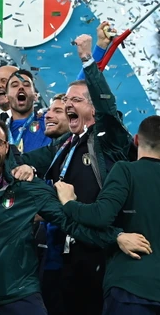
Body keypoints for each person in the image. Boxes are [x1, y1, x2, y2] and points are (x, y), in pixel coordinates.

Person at [0, 117, 142, 314]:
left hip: (19, 296)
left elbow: (70, 222)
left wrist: (116, 237)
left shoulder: (27, 187)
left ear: (6, 147)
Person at [13, 34, 134, 315]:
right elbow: (21, 159)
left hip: (101, 249)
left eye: (76, 100)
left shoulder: (108, 139)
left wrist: (88, 59)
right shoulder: (63, 145)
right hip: (65, 250)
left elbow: (107, 107)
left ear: (92, 108)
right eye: (66, 99)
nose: (68, 104)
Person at [55, 115, 160, 314]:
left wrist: (69, 203)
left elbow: (100, 216)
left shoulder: (126, 171)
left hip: (130, 288)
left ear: (136, 140)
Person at [5, 69, 51, 153]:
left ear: (35, 96)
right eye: (15, 85)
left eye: (26, 85)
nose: (21, 87)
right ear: (6, 97)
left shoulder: (48, 121)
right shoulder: (0, 130)